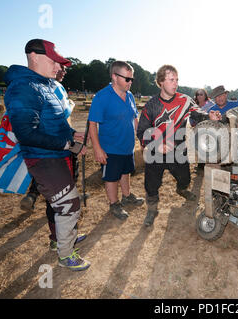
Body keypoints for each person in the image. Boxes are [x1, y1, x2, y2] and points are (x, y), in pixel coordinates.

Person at [4, 38, 90, 271]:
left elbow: (55, 122)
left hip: (57, 154)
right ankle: (65, 254)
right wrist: (67, 144)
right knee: (69, 204)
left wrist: (73, 134)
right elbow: (26, 134)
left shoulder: (50, 85)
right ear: (34, 57)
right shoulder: (23, 87)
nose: (58, 67)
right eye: (53, 61)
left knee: (59, 202)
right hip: (42, 157)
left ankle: (59, 239)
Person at [136, 64, 221, 227]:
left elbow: (198, 114)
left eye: (176, 80)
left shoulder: (185, 100)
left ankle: (181, 189)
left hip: (178, 151)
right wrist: (156, 145)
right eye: (171, 80)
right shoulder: (151, 105)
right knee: (151, 184)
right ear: (161, 82)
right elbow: (141, 131)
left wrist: (209, 116)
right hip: (156, 153)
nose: (175, 83)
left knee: (185, 178)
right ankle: (152, 209)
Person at [19, 64, 87, 251]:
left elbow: (59, 123)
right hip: (50, 153)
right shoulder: (34, 90)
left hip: (64, 148)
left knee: (68, 192)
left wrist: (72, 134)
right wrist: (67, 142)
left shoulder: (57, 89)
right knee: (58, 198)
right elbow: (35, 130)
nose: (62, 72)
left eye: (64, 69)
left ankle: (67, 235)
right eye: (59, 68)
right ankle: (57, 238)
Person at [88, 61, 144, 220]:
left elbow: (134, 118)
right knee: (111, 177)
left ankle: (127, 196)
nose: (130, 82)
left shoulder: (130, 96)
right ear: (114, 76)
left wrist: (140, 137)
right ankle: (114, 204)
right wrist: (97, 149)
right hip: (110, 148)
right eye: (127, 79)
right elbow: (92, 125)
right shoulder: (101, 97)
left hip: (127, 147)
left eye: (131, 79)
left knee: (125, 172)